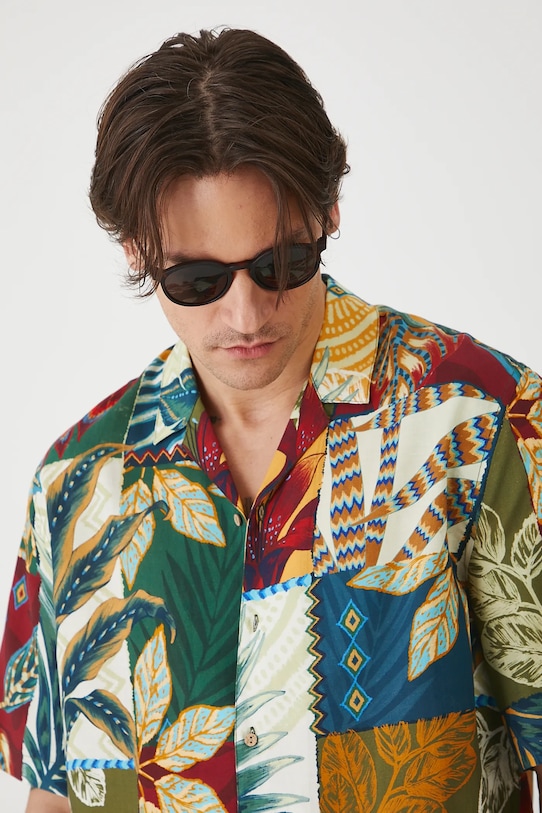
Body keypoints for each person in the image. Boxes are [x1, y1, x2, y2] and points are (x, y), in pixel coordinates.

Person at [0, 26, 541, 813]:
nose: (246, 313)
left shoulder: (487, 423)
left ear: (329, 214)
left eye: (280, 264)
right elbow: (53, 789)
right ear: (135, 251)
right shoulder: (76, 481)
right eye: (198, 279)